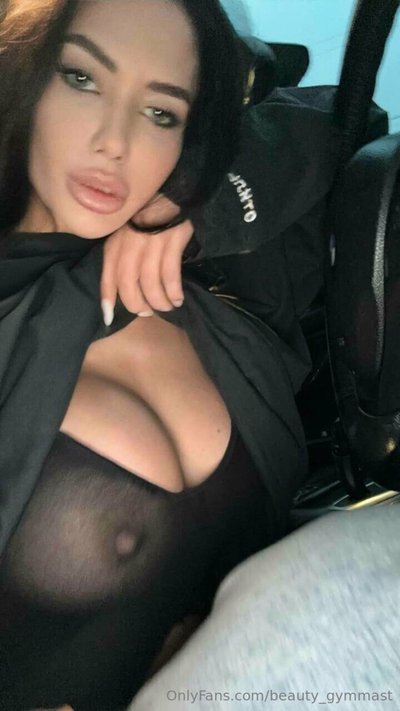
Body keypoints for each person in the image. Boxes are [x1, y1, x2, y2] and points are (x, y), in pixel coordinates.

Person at [0, 1, 311, 709]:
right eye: (81, 78)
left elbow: (339, 121)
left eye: (161, 113)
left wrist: (197, 206)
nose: (115, 142)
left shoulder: (211, 276)